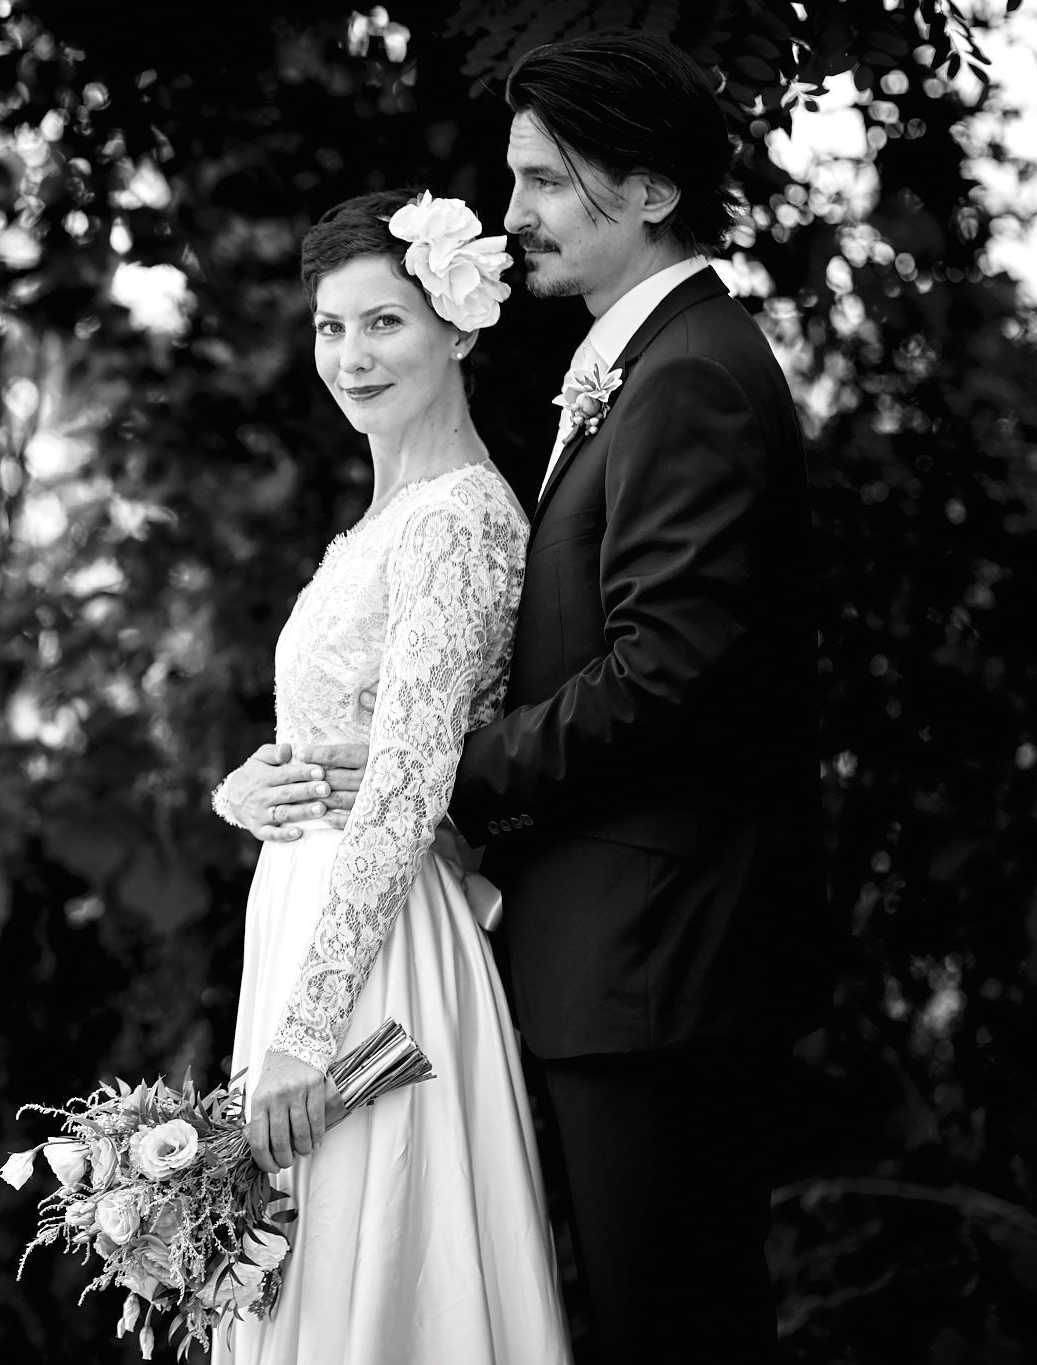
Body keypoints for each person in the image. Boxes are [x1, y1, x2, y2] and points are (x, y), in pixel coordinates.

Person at [246, 32, 820, 1365]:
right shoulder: (641, 367)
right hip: (611, 958)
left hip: (660, 960)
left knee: (676, 1325)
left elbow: (668, 675)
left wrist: (440, 774)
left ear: (652, 190)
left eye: (549, 181)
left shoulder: (691, 374)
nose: (514, 215)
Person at [207, 187, 570, 1365]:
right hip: (311, 927)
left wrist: (307, 1033)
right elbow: (341, 739)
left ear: (456, 328)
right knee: (303, 1283)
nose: (349, 357)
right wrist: (246, 792)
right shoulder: (382, 521)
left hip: (374, 963)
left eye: (383, 322)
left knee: (362, 1279)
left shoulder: (454, 521)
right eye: (330, 327)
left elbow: (412, 791)